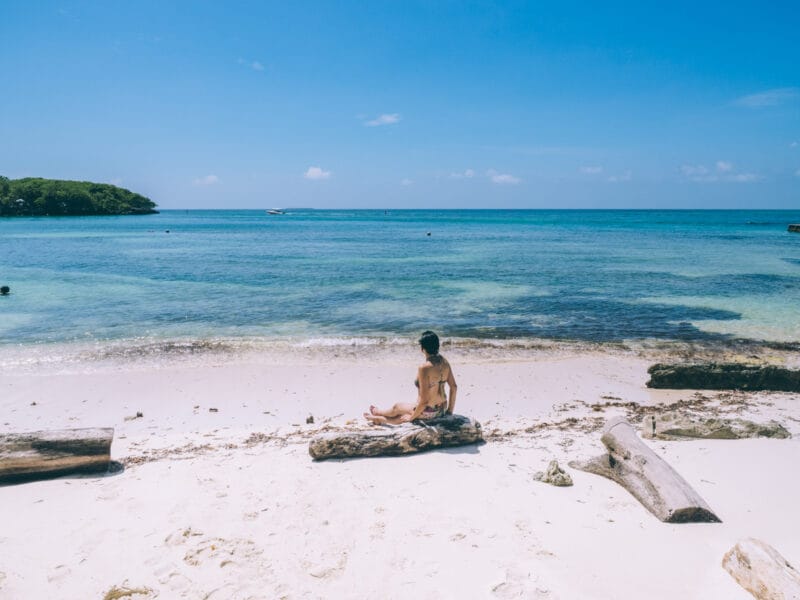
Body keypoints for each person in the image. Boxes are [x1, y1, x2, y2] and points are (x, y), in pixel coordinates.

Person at [364, 330, 457, 425]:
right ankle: (379, 418)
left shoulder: (425, 368)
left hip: (427, 411)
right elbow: (454, 387)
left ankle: (379, 413)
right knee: (402, 415)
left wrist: (411, 418)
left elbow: (424, 401)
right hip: (441, 409)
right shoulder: (445, 362)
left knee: (397, 407)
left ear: (423, 348)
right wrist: (449, 411)